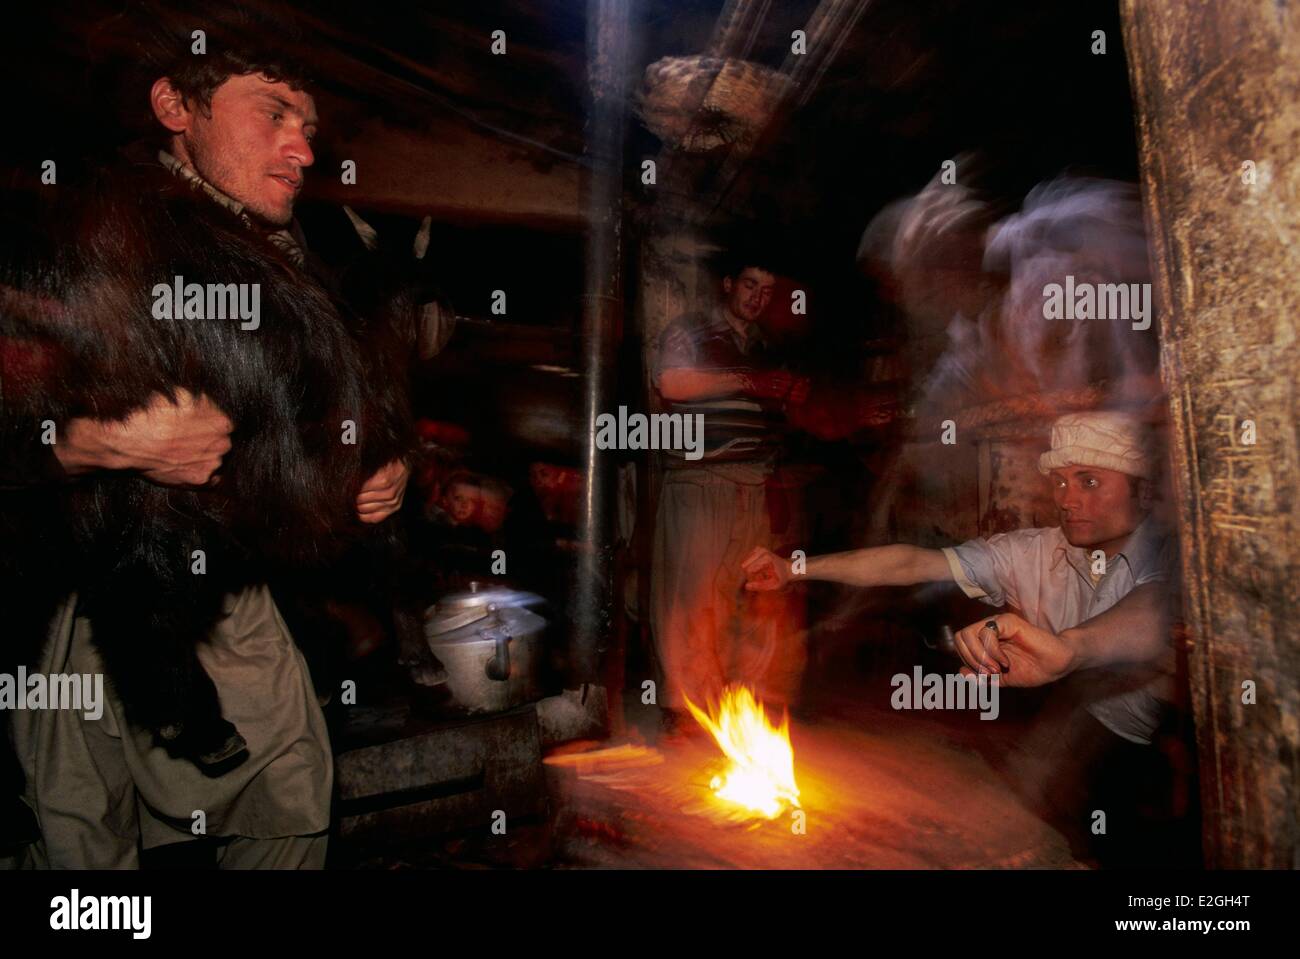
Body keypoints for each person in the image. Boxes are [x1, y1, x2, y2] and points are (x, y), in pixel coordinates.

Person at [0, 15, 407, 869]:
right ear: (175, 106)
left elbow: (329, 409)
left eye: (309, 127)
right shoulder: (80, 231)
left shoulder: (288, 251)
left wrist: (377, 465)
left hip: (234, 591)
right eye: (273, 114)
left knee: (291, 800)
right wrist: (103, 443)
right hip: (82, 594)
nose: (302, 149)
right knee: (79, 842)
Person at [743, 409, 1195, 864]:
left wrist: (1073, 648)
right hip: (1095, 725)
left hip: (1178, 746)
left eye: (1089, 481)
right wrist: (794, 568)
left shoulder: (1184, 552)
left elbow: (1154, 610)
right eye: (1059, 481)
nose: (1067, 498)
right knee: (1059, 816)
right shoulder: (1034, 551)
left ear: (1142, 489)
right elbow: (913, 563)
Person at [650, 255, 812, 728]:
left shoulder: (765, 345)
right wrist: (749, 380)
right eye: (749, 285)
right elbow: (671, 382)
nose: (757, 298)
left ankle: (735, 709)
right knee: (691, 596)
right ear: (727, 284)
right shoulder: (691, 329)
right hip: (702, 479)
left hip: (753, 483)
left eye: (766, 290)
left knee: (751, 594)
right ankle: (684, 711)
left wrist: (790, 400)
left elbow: (775, 415)